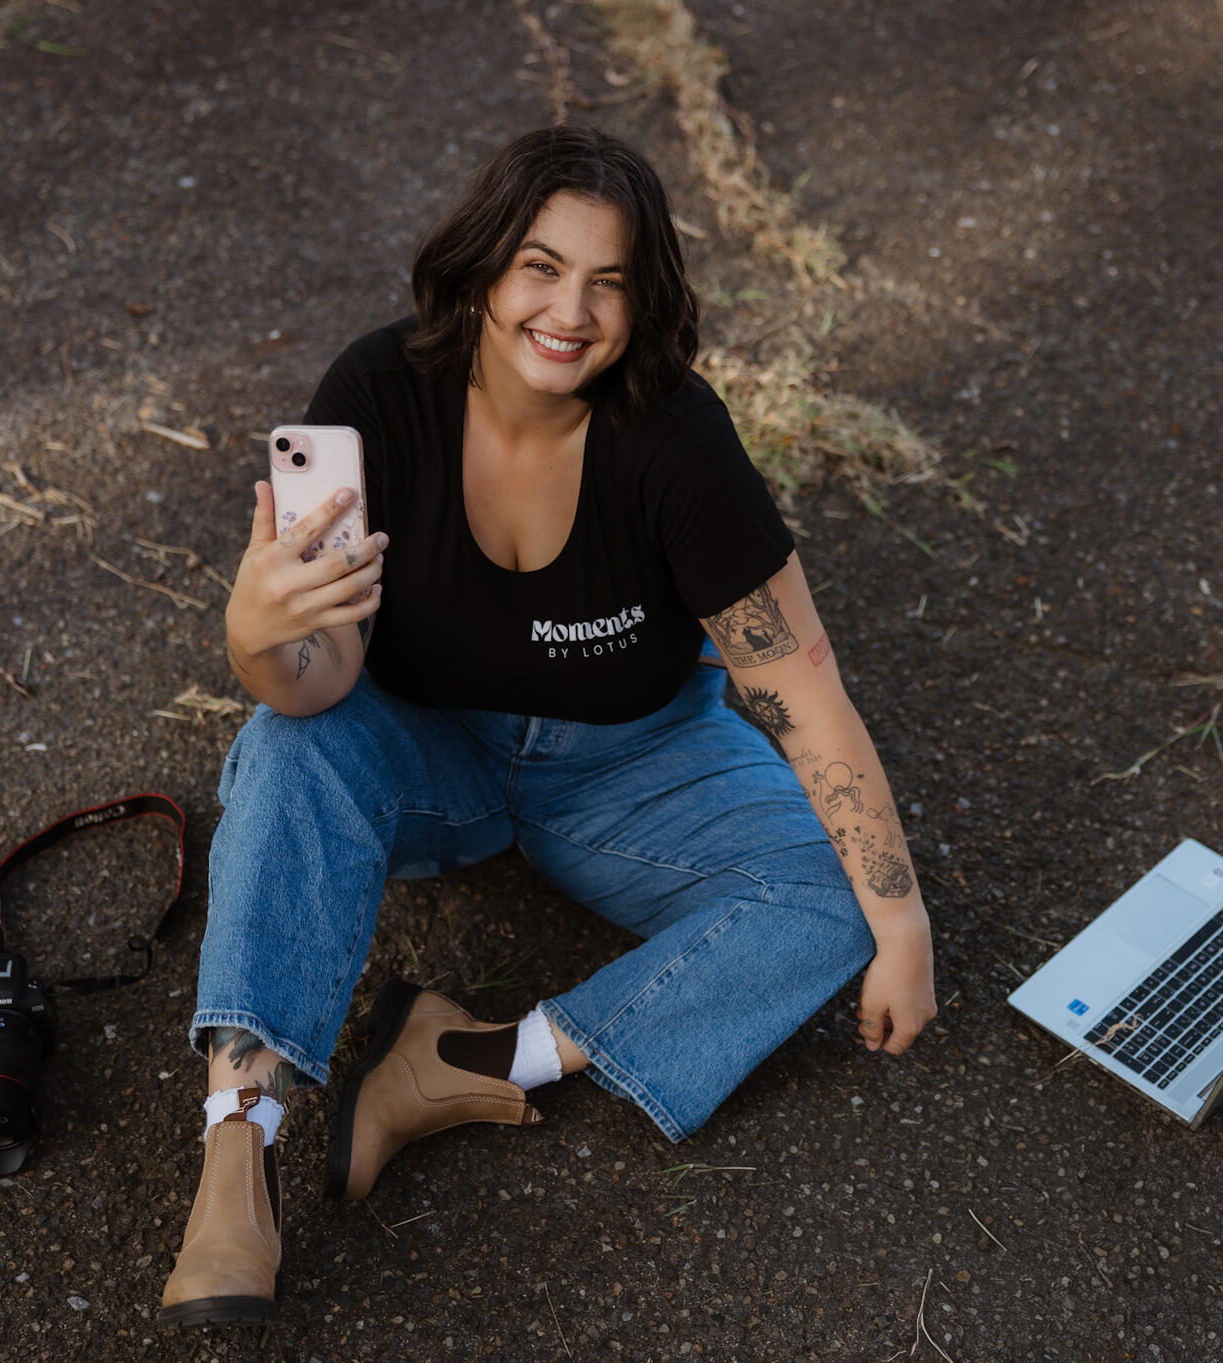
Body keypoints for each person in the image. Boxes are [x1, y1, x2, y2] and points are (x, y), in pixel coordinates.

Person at [158, 125, 937, 1329]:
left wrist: (905, 925)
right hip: (431, 744)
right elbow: (317, 685)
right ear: (482, 266)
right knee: (284, 745)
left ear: (644, 298)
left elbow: (805, 692)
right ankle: (237, 1148)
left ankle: (465, 1061)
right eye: (540, 266)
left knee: (845, 895)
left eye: (609, 281)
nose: (570, 312)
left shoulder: (674, 439)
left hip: (634, 761)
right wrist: (254, 633)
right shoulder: (380, 396)